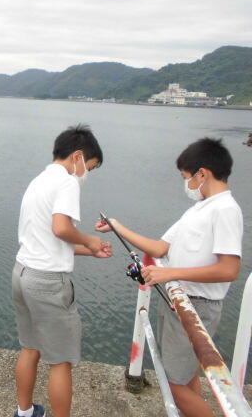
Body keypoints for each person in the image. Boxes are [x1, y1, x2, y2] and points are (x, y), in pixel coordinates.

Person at [96, 137, 242, 417]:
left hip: (196, 307)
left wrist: (169, 273)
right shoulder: (199, 209)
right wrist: (117, 227)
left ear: (202, 174)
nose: (185, 184)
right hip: (179, 301)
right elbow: (160, 248)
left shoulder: (225, 209)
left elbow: (229, 269)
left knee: (174, 385)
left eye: (186, 177)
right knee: (186, 377)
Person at [12, 124, 112, 417]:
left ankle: (25, 412)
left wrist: (89, 250)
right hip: (47, 283)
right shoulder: (67, 182)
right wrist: (90, 240)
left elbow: (48, 238)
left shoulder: (39, 181)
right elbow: (61, 228)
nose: (86, 174)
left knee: (30, 348)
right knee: (61, 362)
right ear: (77, 156)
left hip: (22, 273)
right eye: (89, 167)